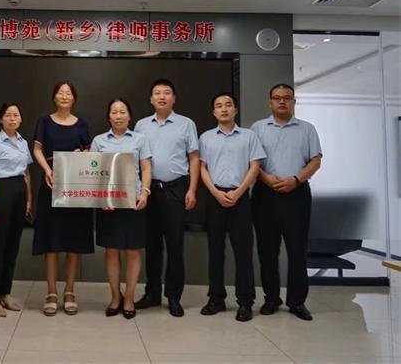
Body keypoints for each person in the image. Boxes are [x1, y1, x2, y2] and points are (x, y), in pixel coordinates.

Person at [251, 83, 322, 321]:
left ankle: (297, 302)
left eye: (287, 98)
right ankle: (271, 299)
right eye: (277, 98)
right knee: (267, 251)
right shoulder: (257, 128)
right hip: (265, 194)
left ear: (293, 102)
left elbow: (315, 161)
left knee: (297, 250)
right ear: (270, 102)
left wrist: (296, 179)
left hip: (297, 194)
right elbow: (252, 161)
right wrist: (266, 178)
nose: (282, 101)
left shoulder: (307, 129)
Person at [134, 78, 200, 317]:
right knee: (151, 245)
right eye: (157, 93)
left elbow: (194, 158)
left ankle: (173, 296)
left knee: (174, 244)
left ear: (174, 98)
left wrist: (192, 190)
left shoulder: (186, 124)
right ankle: (152, 293)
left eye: (167, 93)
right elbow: (134, 158)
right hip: (149, 191)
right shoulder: (141, 125)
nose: (162, 97)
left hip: (175, 189)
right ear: (151, 99)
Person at [198, 93, 266, 322]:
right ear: (213, 112)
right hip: (215, 197)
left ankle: (245, 301)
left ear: (235, 109)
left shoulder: (249, 136)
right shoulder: (206, 138)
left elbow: (255, 166)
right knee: (215, 251)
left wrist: (238, 192)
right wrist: (215, 192)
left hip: (241, 197)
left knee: (243, 251)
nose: (224, 109)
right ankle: (216, 298)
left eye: (228, 105)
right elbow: (202, 168)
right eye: (219, 106)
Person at [32, 81, 92, 316]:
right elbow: (37, 149)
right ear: (54, 97)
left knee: (73, 240)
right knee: (51, 240)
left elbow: (89, 150)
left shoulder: (82, 124)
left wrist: (81, 155)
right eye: (60, 92)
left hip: (75, 186)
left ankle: (69, 291)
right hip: (51, 183)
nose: (64, 96)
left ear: (74, 98)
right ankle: (51, 292)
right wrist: (47, 170)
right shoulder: (44, 121)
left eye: (68, 93)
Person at [90, 98, 152, 319]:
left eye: (122, 111)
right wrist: (100, 198)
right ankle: (116, 296)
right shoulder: (99, 141)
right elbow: (93, 170)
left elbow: (146, 167)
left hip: (133, 201)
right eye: (114, 112)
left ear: (129, 116)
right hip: (108, 204)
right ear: (109, 117)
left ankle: (129, 298)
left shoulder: (140, 139)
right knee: (112, 250)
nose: (118, 116)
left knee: (133, 250)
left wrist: (145, 192)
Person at [0, 103, 33, 317]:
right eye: (8, 115)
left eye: (16, 115)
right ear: (1, 119)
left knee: (12, 246)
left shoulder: (23, 142)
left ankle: (5, 293)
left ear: (20, 119)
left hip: (19, 190)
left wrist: (28, 200)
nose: (12, 118)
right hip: (1, 190)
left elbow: (26, 173)